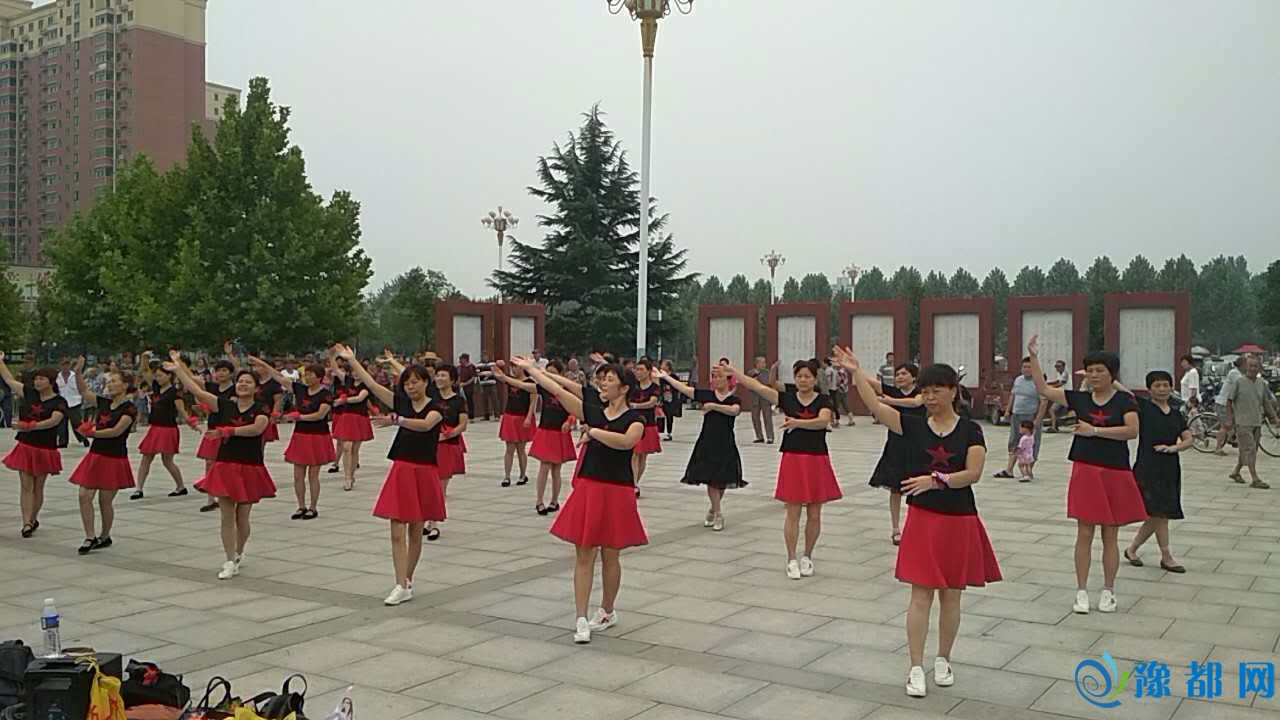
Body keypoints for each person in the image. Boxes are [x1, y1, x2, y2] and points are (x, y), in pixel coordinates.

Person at [842, 347, 999, 699]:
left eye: (936, 390)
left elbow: (973, 473)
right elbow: (876, 407)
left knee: (952, 597)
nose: (929, 397)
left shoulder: (971, 430)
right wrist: (856, 373)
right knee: (920, 595)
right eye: (925, 391)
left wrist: (936, 480)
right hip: (923, 520)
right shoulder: (912, 426)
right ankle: (915, 666)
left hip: (959, 519)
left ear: (953, 391)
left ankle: (943, 659)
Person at [513, 355, 647, 645]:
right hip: (589, 487)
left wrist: (593, 432)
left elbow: (626, 442)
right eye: (602, 379)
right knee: (584, 554)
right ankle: (581, 617)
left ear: (624, 388)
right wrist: (533, 370)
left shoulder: (635, 420)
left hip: (618, 491)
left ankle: (607, 610)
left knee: (611, 555)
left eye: (610, 379)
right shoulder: (593, 411)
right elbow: (558, 390)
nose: (603, 383)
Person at [1027, 336, 1143, 614]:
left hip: (1115, 470)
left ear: (1112, 373)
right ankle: (1081, 591)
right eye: (1090, 370)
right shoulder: (1079, 399)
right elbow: (1043, 388)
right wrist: (1033, 356)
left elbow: (1132, 431)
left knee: (1110, 535)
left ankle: (1108, 590)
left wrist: (1095, 431)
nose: (1094, 375)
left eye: (1100, 370)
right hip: (1086, 469)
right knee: (1084, 532)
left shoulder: (1125, 400)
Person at [334, 344, 445, 606]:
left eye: (415, 382)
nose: (410, 386)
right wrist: (353, 361)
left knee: (415, 531)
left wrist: (397, 420)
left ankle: (407, 580)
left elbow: (425, 425)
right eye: (407, 383)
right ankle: (400, 583)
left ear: (425, 382)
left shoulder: (438, 406)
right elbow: (372, 385)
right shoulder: (401, 403)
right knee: (396, 530)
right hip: (401, 469)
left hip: (423, 470)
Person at [729, 358, 841, 579]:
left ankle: (807, 556)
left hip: (817, 459)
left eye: (807, 376)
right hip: (793, 459)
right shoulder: (787, 398)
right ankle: (791, 558)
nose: (803, 380)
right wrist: (735, 372)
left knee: (815, 514)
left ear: (814, 379)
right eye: (799, 376)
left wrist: (797, 423)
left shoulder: (824, 400)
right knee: (793, 512)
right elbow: (758, 387)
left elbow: (822, 422)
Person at [168, 352, 275, 580]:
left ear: (256, 388)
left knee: (242, 516)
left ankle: (238, 552)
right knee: (227, 515)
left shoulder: (260, 408)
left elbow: (257, 429)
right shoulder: (225, 406)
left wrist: (229, 431)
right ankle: (229, 559)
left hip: (249, 466)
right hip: (226, 465)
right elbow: (198, 392)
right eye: (240, 381)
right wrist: (179, 370)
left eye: (248, 382)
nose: (243, 384)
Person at [656, 364, 743, 531]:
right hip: (707, 442)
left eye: (719, 377)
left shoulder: (734, 399)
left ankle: (712, 509)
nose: (716, 380)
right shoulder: (707, 395)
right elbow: (684, 389)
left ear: (728, 380)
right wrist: (666, 377)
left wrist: (713, 406)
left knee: (722, 480)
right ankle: (718, 513)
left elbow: (734, 411)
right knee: (711, 479)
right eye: (714, 377)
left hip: (726, 443)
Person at [1124, 370, 1193, 573]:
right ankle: (1166, 557)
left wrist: (1173, 448)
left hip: (1170, 468)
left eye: (1165, 385)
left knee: (1158, 513)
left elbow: (1188, 439)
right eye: (1157, 385)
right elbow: (1123, 391)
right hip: (1148, 466)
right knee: (1160, 513)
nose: (1162, 389)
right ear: (1149, 389)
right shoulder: (1144, 408)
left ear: (1171, 387)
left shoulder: (1176, 413)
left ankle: (1132, 549)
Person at [251, 357, 335, 520]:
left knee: (313, 475)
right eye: (306, 374)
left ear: (319, 377)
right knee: (298, 475)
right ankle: (301, 506)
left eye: (311, 374)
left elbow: (320, 415)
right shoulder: (300, 389)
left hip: (317, 437)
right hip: (300, 436)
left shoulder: (325, 394)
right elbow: (278, 376)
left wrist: (298, 417)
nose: (307, 377)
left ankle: (313, 507)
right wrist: (263, 364)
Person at [67, 363, 138, 554]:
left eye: (114, 381)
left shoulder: (129, 409)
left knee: (104, 501)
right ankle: (89, 536)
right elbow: (84, 391)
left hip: (114, 458)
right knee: (84, 495)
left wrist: (92, 433)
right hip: (95, 455)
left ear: (125, 385)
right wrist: (78, 373)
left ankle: (105, 536)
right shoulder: (104, 403)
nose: (110, 384)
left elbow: (116, 431)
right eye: (109, 382)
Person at [0, 353, 68, 538]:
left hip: (45, 448)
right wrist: (0, 361)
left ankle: (33, 517)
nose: (37, 382)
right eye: (36, 378)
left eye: (42, 379)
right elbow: (9, 380)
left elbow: (54, 421)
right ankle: (26, 522)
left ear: (51, 382)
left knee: (38, 486)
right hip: (26, 446)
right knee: (26, 485)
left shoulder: (59, 402)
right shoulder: (29, 393)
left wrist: (30, 426)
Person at [132, 354, 193, 500]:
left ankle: (181, 486)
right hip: (155, 428)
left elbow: (182, 411)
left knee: (167, 461)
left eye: (160, 376)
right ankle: (139, 489)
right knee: (146, 458)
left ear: (169, 376)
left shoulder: (174, 393)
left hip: (168, 429)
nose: (157, 378)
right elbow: (144, 372)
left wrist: (192, 423)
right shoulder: (156, 388)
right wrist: (144, 358)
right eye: (156, 376)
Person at [426, 363, 468, 541]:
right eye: (437, 375)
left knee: (440, 488)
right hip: (429, 445)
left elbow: (463, 425)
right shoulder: (431, 396)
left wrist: (447, 435)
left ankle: (434, 523)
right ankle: (429, 520)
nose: (439, 378)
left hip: (448, 446)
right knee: (429, 485)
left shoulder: (458, 401)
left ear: (452, 380)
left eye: (443, 375)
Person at [527, 360, 575, 515]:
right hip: (546, 431)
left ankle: (554, 501)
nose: (550, 376)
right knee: (544, 466)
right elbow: (525, 386)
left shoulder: (567, 390)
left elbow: (574, 411)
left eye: (553, 373)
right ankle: (539, 501)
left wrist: (569, 421)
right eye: (548, 373)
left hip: (560, 433)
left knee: (556, 469)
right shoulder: (544, 388)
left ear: (560, 374)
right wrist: (505, 378)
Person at [1227, 355, 1279, 489]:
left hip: (1256, 421)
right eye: (1250, 366)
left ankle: (1236, 472)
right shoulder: (1239, 382)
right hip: (1242, 422)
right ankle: (1255, 478)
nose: (1253, 369)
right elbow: (1229, 401)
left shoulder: (1261, 383)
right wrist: (1230, 420)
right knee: (1250, 449)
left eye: (1255, 366)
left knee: (1250, 450)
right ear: (1246, 366)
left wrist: (1274, 418)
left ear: (1259, 367)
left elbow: (1266, 402)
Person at [195, 359, 237, 512]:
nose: (220, 373)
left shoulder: (236, 390)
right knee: (209, 463)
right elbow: (194, 383)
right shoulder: (212, 387)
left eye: (224, 370)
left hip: (228, 430)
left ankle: (227, 493)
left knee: (226, 464)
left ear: (231, 374)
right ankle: (211, 497)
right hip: (212, 428)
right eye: (218, 370)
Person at [993, 358, 1045, 480]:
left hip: (1030, 416)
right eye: (1024, 367)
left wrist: (1037, 420)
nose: (1026, 369)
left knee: (1030, 443)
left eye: (1029, 367)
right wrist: (1008, 410)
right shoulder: (1018, 380)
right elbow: (1013, 395)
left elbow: (1044, 402)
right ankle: (1009, 470)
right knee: (1014, 441)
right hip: (1017, 415)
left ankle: (1028, 471)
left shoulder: (1038, 382)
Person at [329, 357, 373, 492]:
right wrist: (332, 356)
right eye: (354, 371)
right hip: (347, 416)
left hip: (359, 418)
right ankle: (347, 477)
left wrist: (343, 400)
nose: (355, 373)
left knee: (354, 450)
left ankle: (352, 475)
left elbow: (360, 398)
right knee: (347, 447)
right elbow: (335, 369)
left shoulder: (367, 385)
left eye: (358, 371)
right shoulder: (348, 381)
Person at [492, 362, 536, 486]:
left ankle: (523, 475)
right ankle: (507, 476)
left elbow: (533, 402)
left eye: (515, 367)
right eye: (512, 367)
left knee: (521, 449)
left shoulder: (530, 383)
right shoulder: (510, 380)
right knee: (509, 448)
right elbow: (501, 377)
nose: (513, 369)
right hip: (510, 416)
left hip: (522, 417)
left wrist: (529, 417)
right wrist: (495, 370)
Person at [629, 359, 662, 497]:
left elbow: (652, 402)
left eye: (641, 369)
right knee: (634, 454)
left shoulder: (655, 387)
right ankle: (633, 484)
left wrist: (636, 405)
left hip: (648, 424)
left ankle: (635, 482)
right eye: (637, 369)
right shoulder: (633, 386)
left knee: (643, 456)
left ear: (649, 371)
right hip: (633, 423)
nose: (639, 372)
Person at [1213, 356, 1246, 455]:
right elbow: (1242, 384)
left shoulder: (1240, 373)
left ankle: (1232, 438)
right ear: (1242, 365)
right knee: (1225, 426)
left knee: (1235, 423)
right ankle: (1218, 448)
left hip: (1230, 404)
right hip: (1223, 403)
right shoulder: (1234, 373)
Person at [56, 357, 90, 448]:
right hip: (61, 403)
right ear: (60, 366)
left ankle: (83, 438)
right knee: (62, 424)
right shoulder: (57, 377)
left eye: (67, 365)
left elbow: (81, 387)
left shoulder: (75, 376)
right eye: (63, 365)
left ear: (69, 365)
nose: (65, 367)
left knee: (77, 423)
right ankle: (63, 442)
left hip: (74, 402)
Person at [747, 356, 776, 444]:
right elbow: (748, 384)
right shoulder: (750, 372)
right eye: (762, 362)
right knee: (755, 418)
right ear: (757, 363)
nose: (764, 364)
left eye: (764, 362)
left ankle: (770, 437)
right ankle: (759, 436)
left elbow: (768, 383)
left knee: (767, 417)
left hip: (765, 397)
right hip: (755, 398)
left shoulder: (767, 372)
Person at [658, 359, 683, 441]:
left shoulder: (674, 377)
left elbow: (677, 388)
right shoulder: (661, 376)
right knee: (661, 415)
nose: (661, 366)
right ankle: (660, 432)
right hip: (663, 398)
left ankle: (669, 433)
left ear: (668, 366)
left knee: (669, 416)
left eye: (663, 364)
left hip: (671, 398)